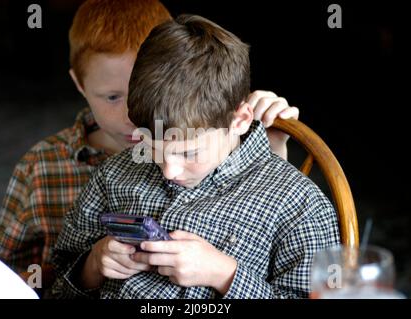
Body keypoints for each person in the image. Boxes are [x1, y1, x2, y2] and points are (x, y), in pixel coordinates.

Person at [0, 0, 298, 285]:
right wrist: (90, 265)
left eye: (142, 94)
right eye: (113, 96)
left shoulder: (211, 149)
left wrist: (269, 144)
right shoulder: (42, 165)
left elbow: (266, 215)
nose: (133, 115)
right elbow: (2, 275)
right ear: (79, 84)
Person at [51, 14, 340, 299]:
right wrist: (92, 265)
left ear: (239, 120)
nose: (169, 171)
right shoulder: (114, 174)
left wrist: (223, 274)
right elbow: (57, 282)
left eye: (189, 152)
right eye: (152, 147)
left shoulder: (299, 205)